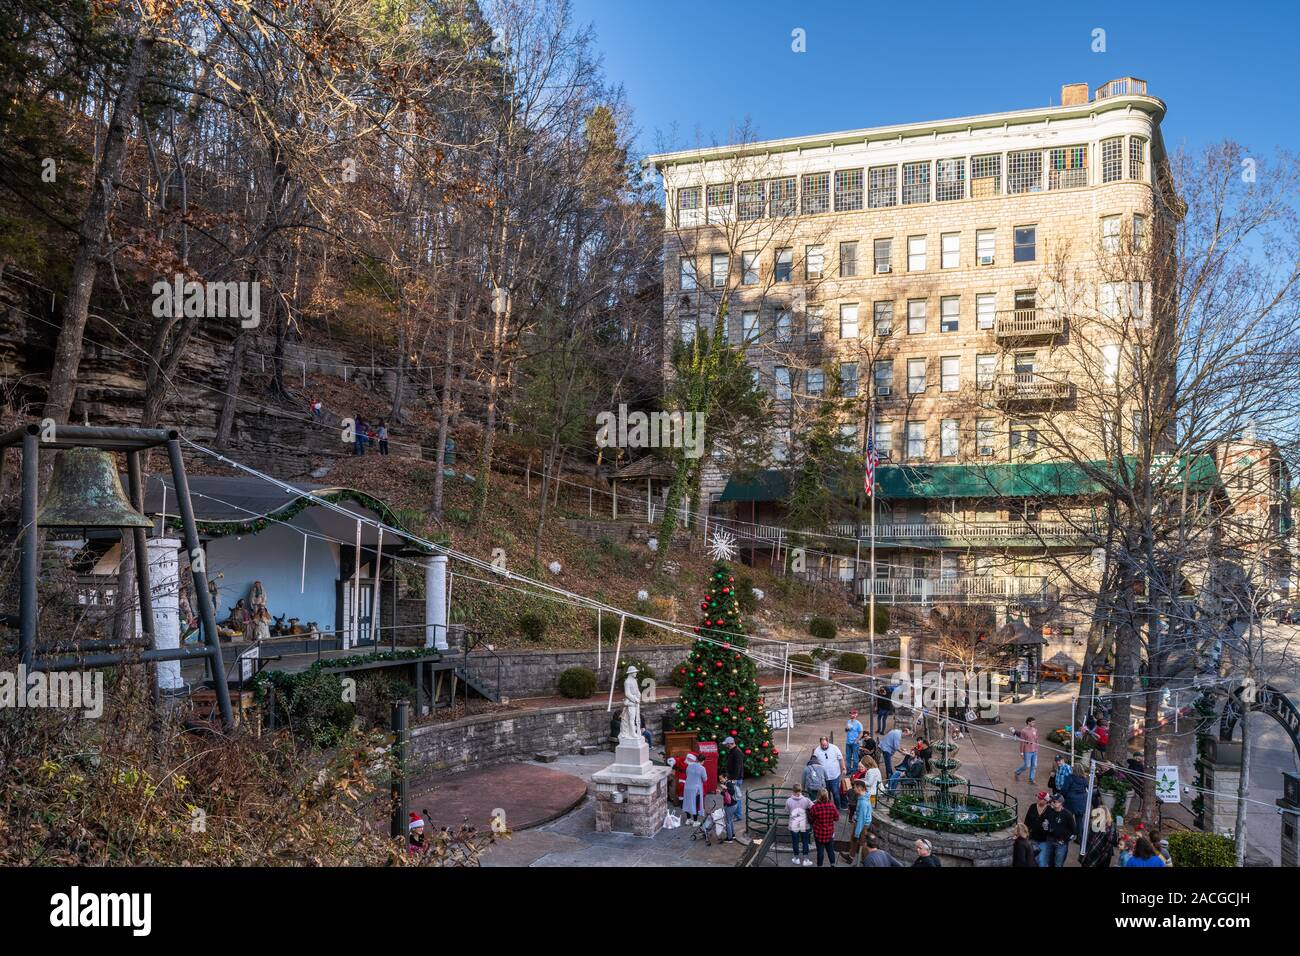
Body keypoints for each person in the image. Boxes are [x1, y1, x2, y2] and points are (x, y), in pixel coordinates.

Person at [843, 778, 873, 864]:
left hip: (862, 825)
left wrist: (857, 833)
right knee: (854, 840)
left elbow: (861, 820)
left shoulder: (863, 802)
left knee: (861, 843)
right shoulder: (863, 796)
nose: (854, 789)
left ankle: (865, 861)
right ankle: (850, 857)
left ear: (860, 788)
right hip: (860, 822)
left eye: (855, 787)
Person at [808, 788, 840, 867]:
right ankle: (832, 864)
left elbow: (810, 820)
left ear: (818, 796)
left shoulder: (815, 807)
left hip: (819, 833)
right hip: (829, 833)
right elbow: (836, 818)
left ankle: (820, 865)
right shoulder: (832, 806)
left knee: (820, 851)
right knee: (830, 850)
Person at [1081, 795, 1116, 868]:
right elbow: (1087, 838)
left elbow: (1113, 842)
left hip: (1104, 855)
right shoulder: (1092, 823)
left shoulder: (1111, 828)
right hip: (1091, 852)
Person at [1042, 793, 1075, 867]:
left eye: (1054, 801)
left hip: (1060, 843)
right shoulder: (1049, 811)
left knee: (1058, 864)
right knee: (1048, 863)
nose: (1052, 803)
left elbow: (1073, 831)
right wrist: (1045, 826)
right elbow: (1046, 823)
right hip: (1049, 840)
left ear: (1060, 803)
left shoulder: (1067, 815)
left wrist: (1064, 840)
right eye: (1052, 801)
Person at [812, 736, 846, 809]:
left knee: (835, 792)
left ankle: (837, 807)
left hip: (834, 775)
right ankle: (829, 807)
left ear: (828, 742)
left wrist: (843, 768)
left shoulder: (834, 748)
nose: (824, 746)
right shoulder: (817, 751)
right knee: (826, 794)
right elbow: (813, 762)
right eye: (822, 745)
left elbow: (841, 759)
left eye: (825, 745)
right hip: (823, 777)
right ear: (820, 743)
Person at [1060, 764, 1090, 845]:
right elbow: (1087, 788)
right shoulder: (1084, 779)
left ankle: (1064, 836)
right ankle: (1079, 838)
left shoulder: (1070, 777)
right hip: (1081, 801)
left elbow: (1064, 789)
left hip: (1071, 801)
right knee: (1079, 820)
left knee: (1066, 818)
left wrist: (1065, 796)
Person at [785, 783, 814, 866]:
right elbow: (813, 807)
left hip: (793, 824)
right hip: (804, 824)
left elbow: (787, 810)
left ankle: (796, 858)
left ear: (793, 790)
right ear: (801, 790)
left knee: (795, 842)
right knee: (805, 841)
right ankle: (806, 859)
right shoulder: (806, 800)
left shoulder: (789, 800)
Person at [1024, 791, 1052, 867]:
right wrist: (1025, 834)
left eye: (1041, 798)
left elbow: (1052, 826)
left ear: (1046, 801)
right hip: (1032, 838)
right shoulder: (1032, 807)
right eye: (1038, 797)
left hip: (1044, 840)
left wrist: (1048, 827)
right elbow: (1026, 822)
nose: (1038, 799)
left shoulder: (1050, 810)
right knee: (1033, 860)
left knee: (1042, 861)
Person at [679, 753, 708, 824]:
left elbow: (687, 774)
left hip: (687, 787)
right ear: (703, 761)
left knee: (687, 803)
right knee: (695, 804)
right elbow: (705, 779)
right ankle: (695, 821)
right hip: (696, 789)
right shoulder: (702, 768)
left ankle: (688, 819)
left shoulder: (689, 766)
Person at [719, 773, 746, 844]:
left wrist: (725, 788)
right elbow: (726, 794)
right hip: (733, 804)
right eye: (720, 779)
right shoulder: (727, 783)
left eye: (721, 778)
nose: (720, 780)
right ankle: (732, 835)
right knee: (730, 820)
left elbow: (731, 792)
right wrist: (720, 792)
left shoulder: (728, 784)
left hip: (730, 805)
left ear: (726, 778)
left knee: (727, 822)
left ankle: (729, 838)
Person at [1013, 717, 1039, 783]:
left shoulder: (1035, 730)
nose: (1034, 723)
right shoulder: (1024, 731)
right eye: (1033, 722)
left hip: (1034, 750)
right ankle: (1017, 772)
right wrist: (1021, 752)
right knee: (1027, 765)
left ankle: (1031, 779)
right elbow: (1022, 742)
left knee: (1034, 765)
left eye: (1034, 722)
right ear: (1028, 722)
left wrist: (1037, 747)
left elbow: (1036, 739)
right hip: (1027, 751)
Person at [845, 709, 864, 773]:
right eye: (851, 713)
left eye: (853, 713)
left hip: (855, 743)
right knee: (848, 757)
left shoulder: (859, 724)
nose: (851, 714)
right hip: (848, 742)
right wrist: (847, 729)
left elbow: (861, 733)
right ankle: (849, 770)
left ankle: (855, 771)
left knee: (855, 758)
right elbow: (846, 730)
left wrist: (856, 741)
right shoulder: (848, 721)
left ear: (856, 714)